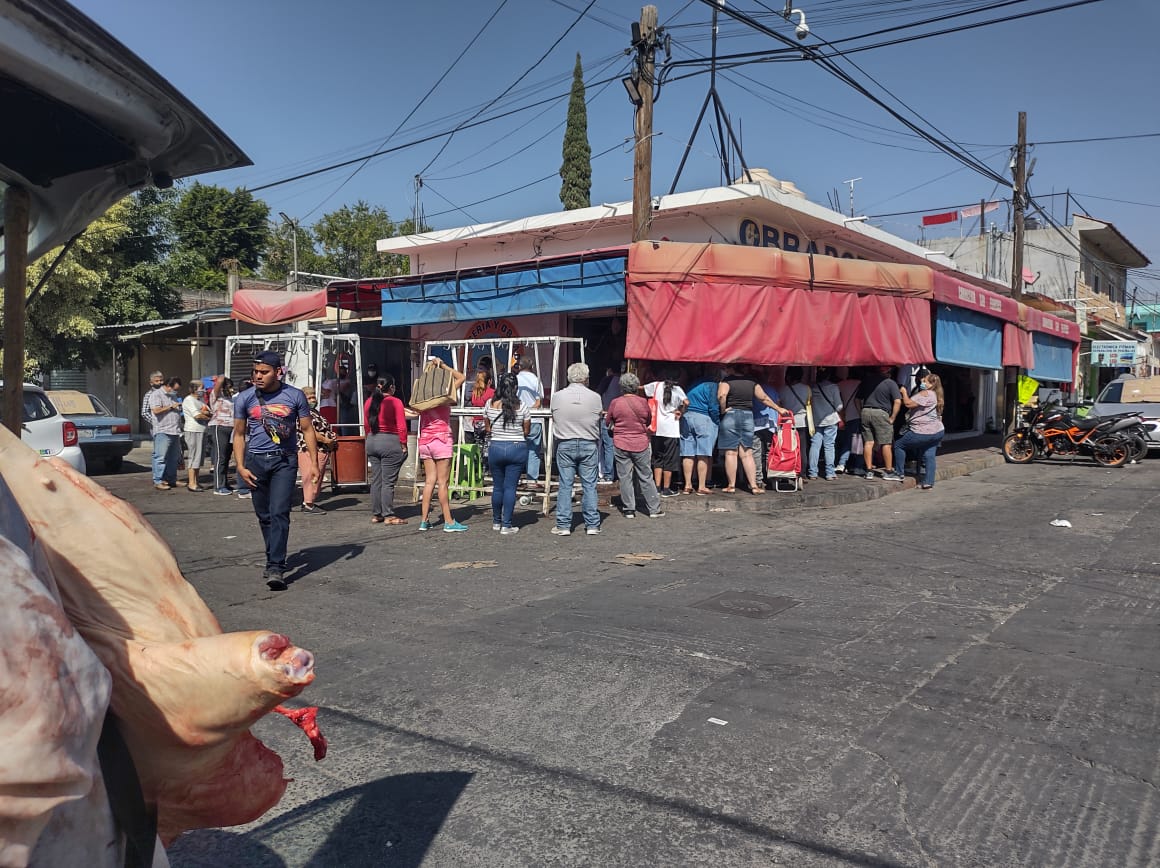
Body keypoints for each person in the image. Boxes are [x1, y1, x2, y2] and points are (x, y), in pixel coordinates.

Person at [233, 351, 318, 591]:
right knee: (264, 516)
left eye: (264, 372)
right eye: (255, 372)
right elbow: (239, 434)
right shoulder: (245, 398)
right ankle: (273, 556)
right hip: (255, 462)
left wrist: (313, 463)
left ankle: (276, 566)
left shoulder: (295, 396)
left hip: (285, 461)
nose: (258, 376)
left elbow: (307, 429)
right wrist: (240, 466)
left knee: (280, 511)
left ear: (277, 372)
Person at [549, 362, 604, 535]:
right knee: (589, 485)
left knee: (565, 485)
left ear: (568, 377)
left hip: (565, 442)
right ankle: (593, 524)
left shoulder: (557, 396)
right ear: (586, 378)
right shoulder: (595, 397)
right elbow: (598, 419)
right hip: (588, 443)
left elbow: (554, 416)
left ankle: (564, 525)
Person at [415, 357, 468, 532]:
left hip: (425, 441)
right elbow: (461, 377)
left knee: (429, 482)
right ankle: (449, 521)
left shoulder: (421, 395)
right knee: (443, 483)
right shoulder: (444, 392)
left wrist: (430, 368)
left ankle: (424, 520)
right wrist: (444, 365)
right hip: (442, 440)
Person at [718, 365, 788, 494]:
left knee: (731, 453)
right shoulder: (752, 382)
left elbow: (722, 395)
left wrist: (723, 409)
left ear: (732, 369)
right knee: (747, 453)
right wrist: (778, 409)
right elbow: (764, 398)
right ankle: (754, 486)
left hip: (731, 415)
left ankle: (731, 486)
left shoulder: (726, 381)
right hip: (747, 416)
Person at [606, 372, 664, 519]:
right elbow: (649, 420)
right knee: (646, 476)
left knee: (625, 476)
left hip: (621, 442)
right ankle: (654, 509)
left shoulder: (615, 402)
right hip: (641, 442)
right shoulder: (643, 402)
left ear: (622, 387)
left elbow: (608, 422)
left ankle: (629, 509)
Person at [485, 372, 531, 535]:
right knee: (510, 487)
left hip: (496, 447)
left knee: (497, 487)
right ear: (516, 388)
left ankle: (496, 521)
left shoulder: (490, 404)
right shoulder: (522, 406)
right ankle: (507, 525)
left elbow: (488, 427)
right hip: (516, 447)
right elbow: (527, 430)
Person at [884, 372, 945, 489]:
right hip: (937, 431)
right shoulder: (936, 394)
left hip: (923, 430)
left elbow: (908, 403)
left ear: (931, 384)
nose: (922, 382)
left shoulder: (926, 394)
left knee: (899, 445)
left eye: (925, 381)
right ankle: (928, 482)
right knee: (929, 455)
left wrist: (903, 391)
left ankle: (899, 473)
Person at [364, 375, 408, 525]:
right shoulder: (395, 402)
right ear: (391, 387)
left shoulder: (369, 401)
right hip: (389, 441)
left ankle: (377, 514)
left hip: (372, 440)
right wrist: (403, 444)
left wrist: (369, 439)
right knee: (388, 481)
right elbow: (402, 426)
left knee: (376, 480)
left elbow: (366, 424)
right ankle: (388, 514)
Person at [644, 372, 688, 497]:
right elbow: (687, 402)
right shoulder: (677, 389)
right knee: (669, 459)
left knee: (658, 458)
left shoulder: (656, 385)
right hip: (671, 429)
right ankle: (666, 488)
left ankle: (657, 487)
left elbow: (641, 388)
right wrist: (680, 411)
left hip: (657, 428)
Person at [680, 370, 721, 495]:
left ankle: (687, 485)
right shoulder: (712, 385)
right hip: (703, 418)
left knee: (688, 453)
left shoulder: (693, 384)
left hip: (687, 417)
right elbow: (713, 406)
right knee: (703, 454)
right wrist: (718, 421)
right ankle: (702, 486)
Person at [857, 365, 902, 478]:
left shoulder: (866, 381)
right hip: (881, 412)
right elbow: (897, 401)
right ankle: (888, 471)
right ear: (888, 371)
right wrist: (893, 417)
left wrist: (860, 412)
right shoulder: (890, 383)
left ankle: (868, 470)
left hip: (866, 411)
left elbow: (857, 399)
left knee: (868, 442)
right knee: (886, 443)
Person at [298, 386, 337, 515]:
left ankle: (309, 502)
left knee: (316, 477)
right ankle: (308, 504)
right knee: (311, 477)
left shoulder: (315, 412)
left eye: (313, 396)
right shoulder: (303, 414)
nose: (312, 399)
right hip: (309, 449)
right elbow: (311, 432)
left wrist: (331, 438)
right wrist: (326, 440)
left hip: (322, 449)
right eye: (309, 397)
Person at [147, 371, 182, 491]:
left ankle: (171, 479)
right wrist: (171, 407)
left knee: (173, 457)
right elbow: (156, 411)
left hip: (175, 430)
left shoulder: (173, 395)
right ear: (168, 386)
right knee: (160, 457)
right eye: (174, 389)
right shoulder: (156, 395)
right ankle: (158, 480)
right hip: (163, 430)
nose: (175, 392)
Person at [808, 367, 843, 481]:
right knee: (829, 446)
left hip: (816, 420)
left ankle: (812, 472)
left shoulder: (812, 387)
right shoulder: (833, 387)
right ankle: (829, 473)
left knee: (815, 445)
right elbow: (839, 406)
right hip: (830, 420)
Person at [515, 356, 545, 488]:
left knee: (516, 448)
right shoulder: (536, 380)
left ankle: (514, 478)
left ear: (519, 366)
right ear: (532, 366)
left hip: (517, 418)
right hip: (534, 418)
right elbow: (539, 402)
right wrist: (529, 410)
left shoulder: (514, 379)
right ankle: (532, 480)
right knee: (533, 450)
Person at [208, 377, 237, 495]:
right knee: (220, 457)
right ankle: (218, 486)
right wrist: (222, 379)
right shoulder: (215, 396)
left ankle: (225, 483)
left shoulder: (232, 399)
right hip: (219, 427)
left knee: (227, 457)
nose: (231, 389)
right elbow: (219, 381)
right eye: (229, 386)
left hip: (231, 428)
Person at [181, 381, 210, 491]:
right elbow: (197, 415)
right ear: (194, 389)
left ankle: (196, 481)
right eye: (201, 388)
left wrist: (206, 414)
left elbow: (209, 411)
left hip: (201, 430)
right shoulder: (189, 400)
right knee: (194, 456)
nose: (203, 390)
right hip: (193, 430)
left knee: (199, 457)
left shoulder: (200, 400)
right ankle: (191, 483)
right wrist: (207, 416)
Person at [595, 364, 622, 483]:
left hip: (605, 415)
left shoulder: (608, 380)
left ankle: (606, 473)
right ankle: (611, 473)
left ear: (609, 370)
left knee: (604, 445)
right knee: (612, 445)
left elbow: (597, 395)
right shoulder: (623, 382)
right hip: (619, 416)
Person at [834, 367, 862, 474]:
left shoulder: (840, 384)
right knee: (857, 441)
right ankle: (856, 465)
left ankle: (841, 463)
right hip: (856, 415)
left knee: (844, 441)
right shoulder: (860, 384)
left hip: (844, 415)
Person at [468, 371, 495, 457]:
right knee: (488, 448)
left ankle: (479, 466)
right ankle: (486, 468)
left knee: (480, 447)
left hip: (477, 423)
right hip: (488, 423)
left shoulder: (475, 393)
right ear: (489, 381)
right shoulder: (491, 392)